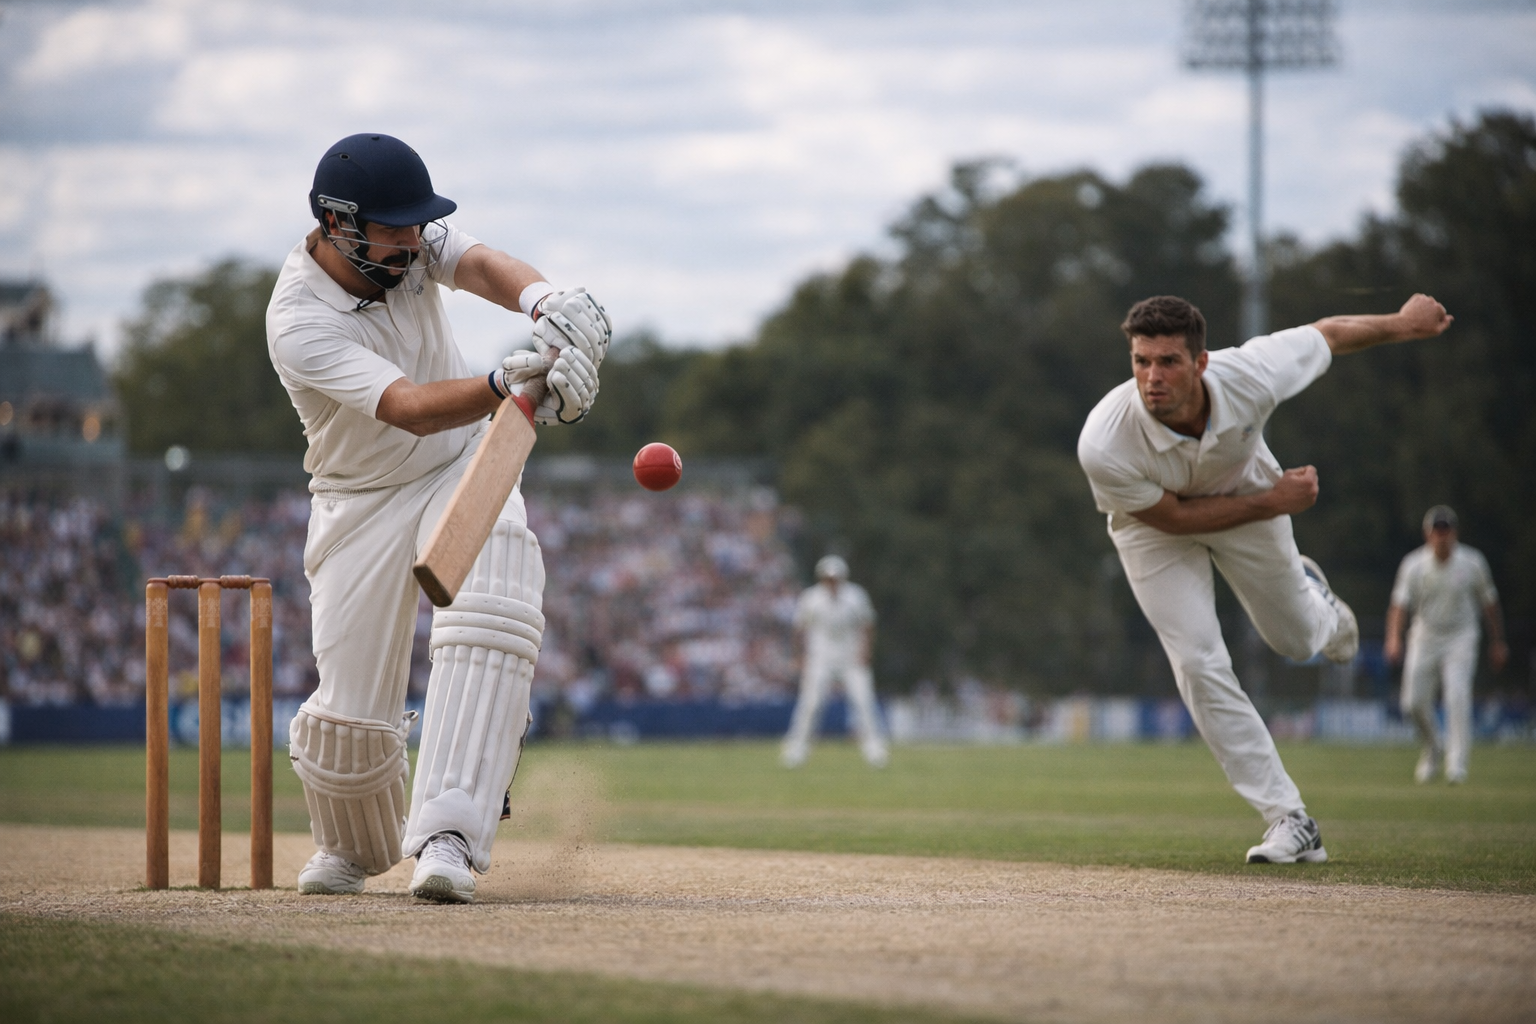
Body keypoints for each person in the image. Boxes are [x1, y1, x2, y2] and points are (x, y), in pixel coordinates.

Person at [266, 133, 611, 903]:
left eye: (420, 225)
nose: (415, 239)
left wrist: (544, 302)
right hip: (357, 501)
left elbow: (484, 265)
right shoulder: (298, 320)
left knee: (496, 592)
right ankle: (355, 846)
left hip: (460, 465)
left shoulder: (408, 239)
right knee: (349, 727)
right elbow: (408, 408)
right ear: (339, 226)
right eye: (396, 228)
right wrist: (506, 380)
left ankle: (450, 836)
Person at [1077, 293, 1453, 863]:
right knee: (1199, 662)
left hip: (1246, 492)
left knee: (1297, 641)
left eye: (1169, 361)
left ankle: (1319, 605)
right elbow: (1173, 519)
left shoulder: (1247, 373)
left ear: (1201, 362)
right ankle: (1289, 819)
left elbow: (1328, 333)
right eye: (1141, 361)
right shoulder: (1104, 441)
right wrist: (1275, 501)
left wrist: (1402, 325)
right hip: (1155, 526)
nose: (1152, 377)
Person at [1385, 505, 1506, 784]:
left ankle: (1457, 765)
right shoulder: (1413, 565)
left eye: (1446, 530)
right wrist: (1393, 638)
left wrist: (1498, 642)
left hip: (1462, 636)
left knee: (1457, 695)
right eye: (1437, 531)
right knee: (1413, 702)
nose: (1442, 536)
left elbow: (1490, 604)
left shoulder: (1472, 562)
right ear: (1428, 534)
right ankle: (1433, 748)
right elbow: (1399, 606)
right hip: (1425, 634)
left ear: (1455, 533)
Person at [781, 555, 889, 768]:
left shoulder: (856, 596)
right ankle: (798, 747)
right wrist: (798, 656)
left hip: (851, 658)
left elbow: (868, 625)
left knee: (864, 702)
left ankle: (873, 747)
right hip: (820, 658)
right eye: (828, 578)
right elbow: (798, 628)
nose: (831, 582)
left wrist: (865, 652)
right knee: (811, 703)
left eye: (835, 578)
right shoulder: (811, 598)